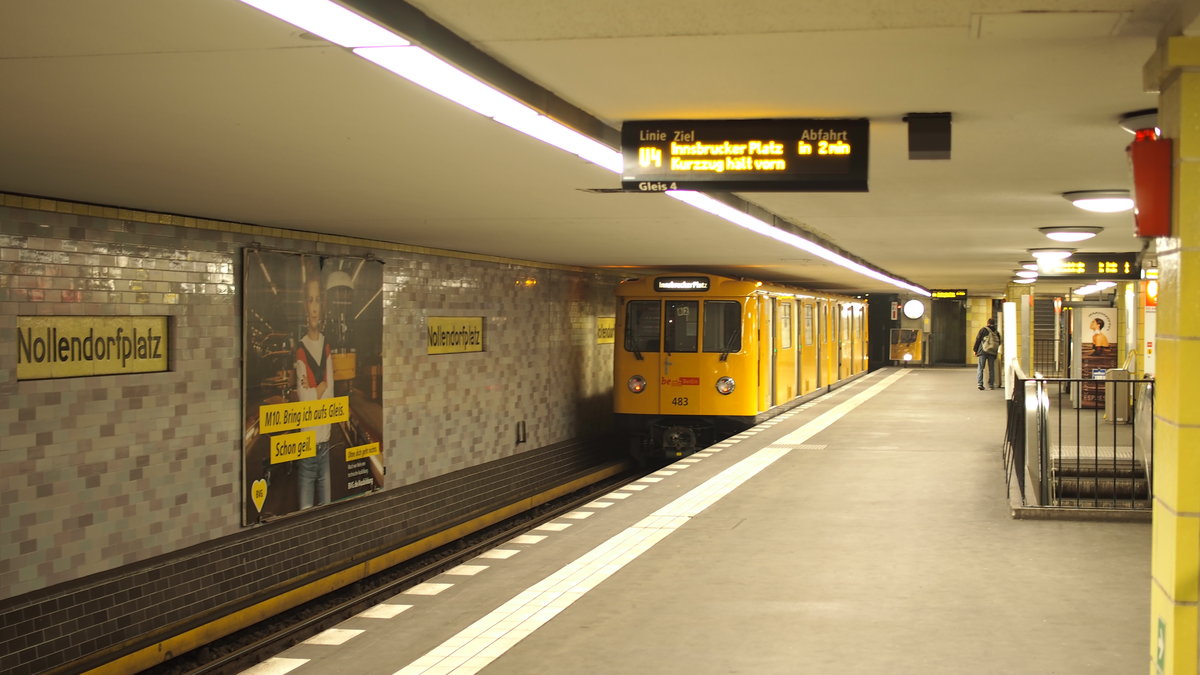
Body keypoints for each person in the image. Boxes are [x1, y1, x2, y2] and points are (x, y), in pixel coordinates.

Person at [295, 265, 334, 509]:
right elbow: (304, 399)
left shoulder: (327, 346)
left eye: (318, 300)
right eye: (310, 300)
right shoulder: (300, 349)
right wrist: (319, 389)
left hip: (326, 443)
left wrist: (316, 391)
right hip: (307, 444)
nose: (315, 307)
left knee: (327, 509)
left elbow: (331, 395)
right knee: (304, 510)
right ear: (305, 307)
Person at [972, 317, 1001, 390]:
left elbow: (978, 340)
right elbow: (999, 342)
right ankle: (991, 385)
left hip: (983, 351)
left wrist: (975, 350)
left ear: (987, 323)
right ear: (994, 323)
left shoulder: (983, 330)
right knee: (991, 368)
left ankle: (980, 384)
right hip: (992, 352)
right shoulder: (996, 332)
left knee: (981, 367)